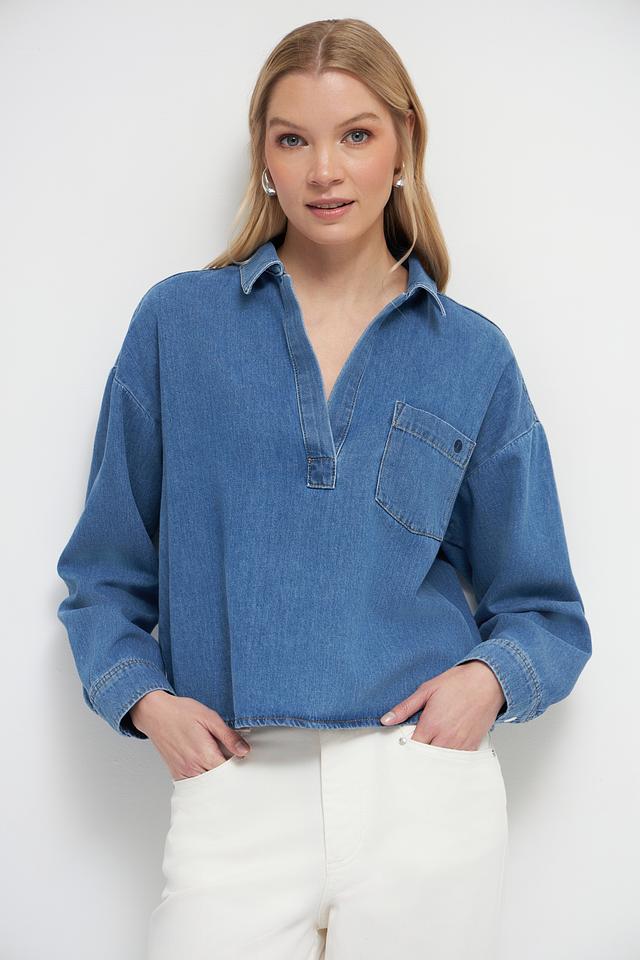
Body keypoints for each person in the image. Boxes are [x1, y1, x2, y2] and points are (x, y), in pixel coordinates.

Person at [55, 17, 592, 960]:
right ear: (263, 156)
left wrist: (484, 684)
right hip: (234, 789)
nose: (325, 171)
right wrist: (145, 702)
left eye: (356, 134)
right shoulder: (179, 325)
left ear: (404, 143)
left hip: (421, 789)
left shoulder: (470, 353)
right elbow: (103, 572)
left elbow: (544, 608)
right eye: (293, 139)